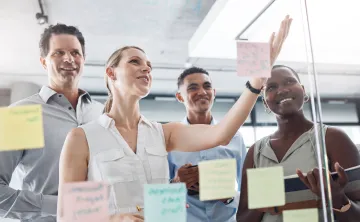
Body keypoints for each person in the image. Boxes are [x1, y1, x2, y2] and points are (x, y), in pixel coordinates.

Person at [57, 16, 292, 222]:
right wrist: (113, 219)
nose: (146, 69)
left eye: (149, 65)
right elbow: (68, 217)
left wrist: (256, 82)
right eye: (135, 62)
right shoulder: (83, 138)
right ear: (111, 72)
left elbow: (222, 134)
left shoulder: (163, 133)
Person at [0, 24, 103, 222]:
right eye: (58, 53)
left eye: (75, 52)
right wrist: (62, 205)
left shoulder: (101, 114)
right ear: (43, 62)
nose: (69, 58)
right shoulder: (19, 114)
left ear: (84, 60)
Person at [236, 65, 360, 222]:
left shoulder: (333, 138)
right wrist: (265, 204)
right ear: (266, 103)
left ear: (303, 91)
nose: (282, 90)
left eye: (289, 82)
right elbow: (242, 218)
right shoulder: (256, 151)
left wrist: (337, 198)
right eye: (272, 87)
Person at [167, 66, 246, 222]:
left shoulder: (234, 137)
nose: (202, 92)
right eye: (193, 88)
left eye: (207, 86)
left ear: (214, 93)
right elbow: (157, 195)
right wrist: (177, 183)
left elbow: (248, 191)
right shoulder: (170, 139)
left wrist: (228, 196)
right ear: (180, 97)